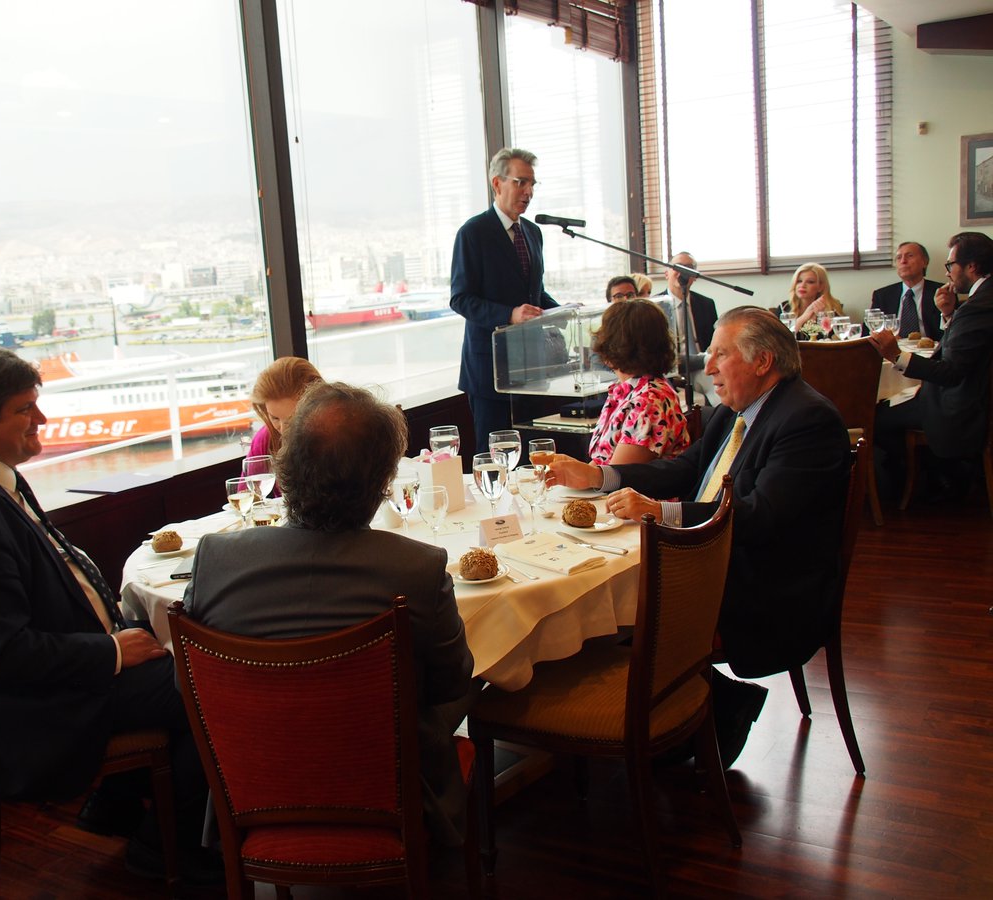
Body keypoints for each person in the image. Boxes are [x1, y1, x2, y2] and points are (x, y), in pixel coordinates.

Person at [0, 346, 217, 884]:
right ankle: (164, 845)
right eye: (25, 409)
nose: (41, 419)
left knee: (179, 643)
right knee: (208, 683)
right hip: (35, 709)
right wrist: (112, 651)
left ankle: (115, 804)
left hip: (59, 673)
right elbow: (1, 654)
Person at [545, 307, 850, 767]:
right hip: (717, 560)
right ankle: (684, 715)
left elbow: (761, 516)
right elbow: (688, 468)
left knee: (611, 605)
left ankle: (688, 718)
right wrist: (600, 476)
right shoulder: (737, 410)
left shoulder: (807, 420)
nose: (706, 368)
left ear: (763, 361)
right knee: (597, 587)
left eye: (719, 355)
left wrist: (661, 512)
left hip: (766, 587)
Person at [184, 381, 475, 847]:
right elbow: (451, 681)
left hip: (254, 787)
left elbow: (192, 686)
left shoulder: (215, 557)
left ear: (286, 465)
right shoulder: (416, 567)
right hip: (392, 790)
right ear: (382, 482)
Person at [451, 147, 559, 452]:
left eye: (532, 184)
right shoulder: (473, 233)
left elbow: (533, 293)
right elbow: (461, 299)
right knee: (497, 459)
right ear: (497, 183)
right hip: (490, 372)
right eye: (520, 182)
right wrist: (509, 314)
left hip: (531, 369)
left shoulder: (533, 233)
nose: (529, 191)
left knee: (534, 458)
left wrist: (561, 311)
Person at [870, 232, 993, 493]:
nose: (947, 272)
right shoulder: (981, 300)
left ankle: (928, 478)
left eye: (951, 265)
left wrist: (895, 355)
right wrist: (949, 314)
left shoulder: (977, 307)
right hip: (970, 394)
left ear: (971, 267)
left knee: (876, 417)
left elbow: (950, 372)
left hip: (961, 406)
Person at [586, 300, 689, 465]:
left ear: (615, 346)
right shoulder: (627, 391)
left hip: (634, 490)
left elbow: (616, 475)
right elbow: (600, 463)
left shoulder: (648, 399)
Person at [653, 251, 719, 402]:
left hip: (705, 368)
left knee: (722, 399)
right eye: (678, 267)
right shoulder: (654, 306)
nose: (683, 271)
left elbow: (713, 342)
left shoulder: (706, 304)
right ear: (666, 274)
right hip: (672, 373)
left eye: (689, 267)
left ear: (694, 276)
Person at [246, 356, 322, 458]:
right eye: (275, 418)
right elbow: (251, 473)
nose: (283, 429)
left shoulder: (340, 440)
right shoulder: (265, 440)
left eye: (293, 420)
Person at [870, 241, 946, 340]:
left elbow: (951, 332)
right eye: (898, 258)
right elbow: (869, 332)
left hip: (931, 352)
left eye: (910, 256)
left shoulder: (941, 292)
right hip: (893, 351)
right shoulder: (882, 296)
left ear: (925, 262)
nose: (903, 261)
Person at [782, 263, 844, 334]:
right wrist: (804, 317)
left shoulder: (832, 309)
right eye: (799, 281)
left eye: (810, 282)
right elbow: (780, 338)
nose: (802, 285)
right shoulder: (784, 308)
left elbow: (838, 338)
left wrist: (822, 318)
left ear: (820, 287)